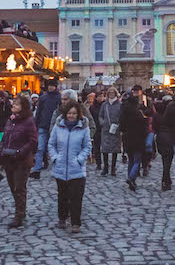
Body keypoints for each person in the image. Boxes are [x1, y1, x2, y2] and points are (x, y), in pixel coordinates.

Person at [48, 98, 92, 231]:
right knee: (63, 196)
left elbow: (87, 146)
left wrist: (80, 159)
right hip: (61, 167)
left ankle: (75, 223)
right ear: (65, 114)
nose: (71, 116)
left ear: (78, 114)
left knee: (76, 197)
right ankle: (62, 217)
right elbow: (51, 144)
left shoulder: (83, 128)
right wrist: (55, 158)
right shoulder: (58, 126)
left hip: (77, 168)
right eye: (69, 113)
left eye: (74, 113)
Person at [0, 94, 38, 229]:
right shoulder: (10, 120)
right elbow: (4, 136)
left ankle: (19, 214)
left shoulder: (28, 122)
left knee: (19, 187)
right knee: (12, 187)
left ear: (23, 107)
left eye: (16, 104)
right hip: (9, 159)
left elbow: (32, 141)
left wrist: (21, 151)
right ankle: (19, 211)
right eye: (13, 104)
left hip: (21, 160)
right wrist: (2, 147)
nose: (13, 106)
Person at [30, 81, 62, 178]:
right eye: (49, 86)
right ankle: (36, 169)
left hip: (55, 126)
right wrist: (36, 124)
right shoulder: (43, 97)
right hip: (43, 125)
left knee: (54, 148)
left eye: (52, 86)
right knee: (40, 148)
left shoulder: (59, 97)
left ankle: (56, 169)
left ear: (55, 87)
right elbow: (39, 111)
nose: (50, 87)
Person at [119, 94, 148, 191]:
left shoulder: (124, 113)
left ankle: (131, 178)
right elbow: (144, 128)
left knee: (131, 160)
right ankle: (131, 177)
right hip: (138, 139)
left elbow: (121, 127)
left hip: (127, 138)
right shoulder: (138, 113)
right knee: (137, 160)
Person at [97, 90, 123, 176]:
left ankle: (113, 168)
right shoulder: (105, 104)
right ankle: (105, 167)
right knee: (105, 149)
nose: (111, 94)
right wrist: (102, 122)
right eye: (110, 93)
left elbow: (122, 116)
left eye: (113, 93)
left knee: (115, 149)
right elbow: (100, 115)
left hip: (115, 129)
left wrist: (119, 125)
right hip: (105, 129)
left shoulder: (119, 104)